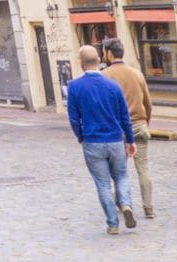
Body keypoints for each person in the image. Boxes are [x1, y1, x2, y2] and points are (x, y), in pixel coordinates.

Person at [66, 45, 137, 236]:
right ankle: (126, 205)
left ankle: (113, 224)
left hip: (93, 141)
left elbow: (73, 118)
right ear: (99, 60)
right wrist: (130, 140)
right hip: (115, 140)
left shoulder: (74, 87)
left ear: (81, 64)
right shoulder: (113, 86)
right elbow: (124, 116)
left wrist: (81, 136)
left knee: (103, 184)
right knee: (121, 176)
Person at [102, 38, 155, 219]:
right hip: (139, 125)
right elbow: (148, 103)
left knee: (119, 169)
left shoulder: (105, 76)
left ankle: (122, 202)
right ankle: (148, 207)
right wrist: (145, 121)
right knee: (143, 167)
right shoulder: (137, 74)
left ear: (109, 54)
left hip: (118, 129)